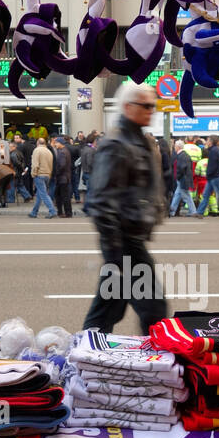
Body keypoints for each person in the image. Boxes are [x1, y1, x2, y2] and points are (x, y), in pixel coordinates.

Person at [83, 82, 167, 331]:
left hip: (129, 240)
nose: (152, 110)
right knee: (154, 310)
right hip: (124, 243)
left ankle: (88, 355)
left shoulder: (138, 140)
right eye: (147, 105)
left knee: (107, 310)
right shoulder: (117, 144)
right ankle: (156, 364)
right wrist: (116, 255)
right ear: (128, 107)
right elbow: (100, 202)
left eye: (154, 106)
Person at [29, 137, 57, 218]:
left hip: (39, 174)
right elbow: (51, 165)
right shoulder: (49, 151)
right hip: (47, 174)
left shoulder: (37, 150)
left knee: (43, 194)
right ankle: (34, 212)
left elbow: (35, 164)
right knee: (39, 194)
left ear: (37, 142)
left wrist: (33, 174)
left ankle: (52, 211)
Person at [169, 138, 197, 217]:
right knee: (178, 195)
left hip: (182, 179)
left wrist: (177, 176)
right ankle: (172, 211)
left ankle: (193, 211)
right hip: (184, 179)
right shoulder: (185, 155)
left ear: (178, 147)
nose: (174, 147)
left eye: (175, 146)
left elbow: (181, 168)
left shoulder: (181, 156)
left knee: (186, 196)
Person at [53, 135, 74, 218]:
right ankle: (61, 212)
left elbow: (62, 165)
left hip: (62, 178)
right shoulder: (65, 150)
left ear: (60, 143)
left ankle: (67, 213)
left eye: (56, 143)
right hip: (64, 177)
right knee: (60, 195)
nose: (55, 145)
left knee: (63, 196)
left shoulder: (62, 152)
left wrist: (56, 173)